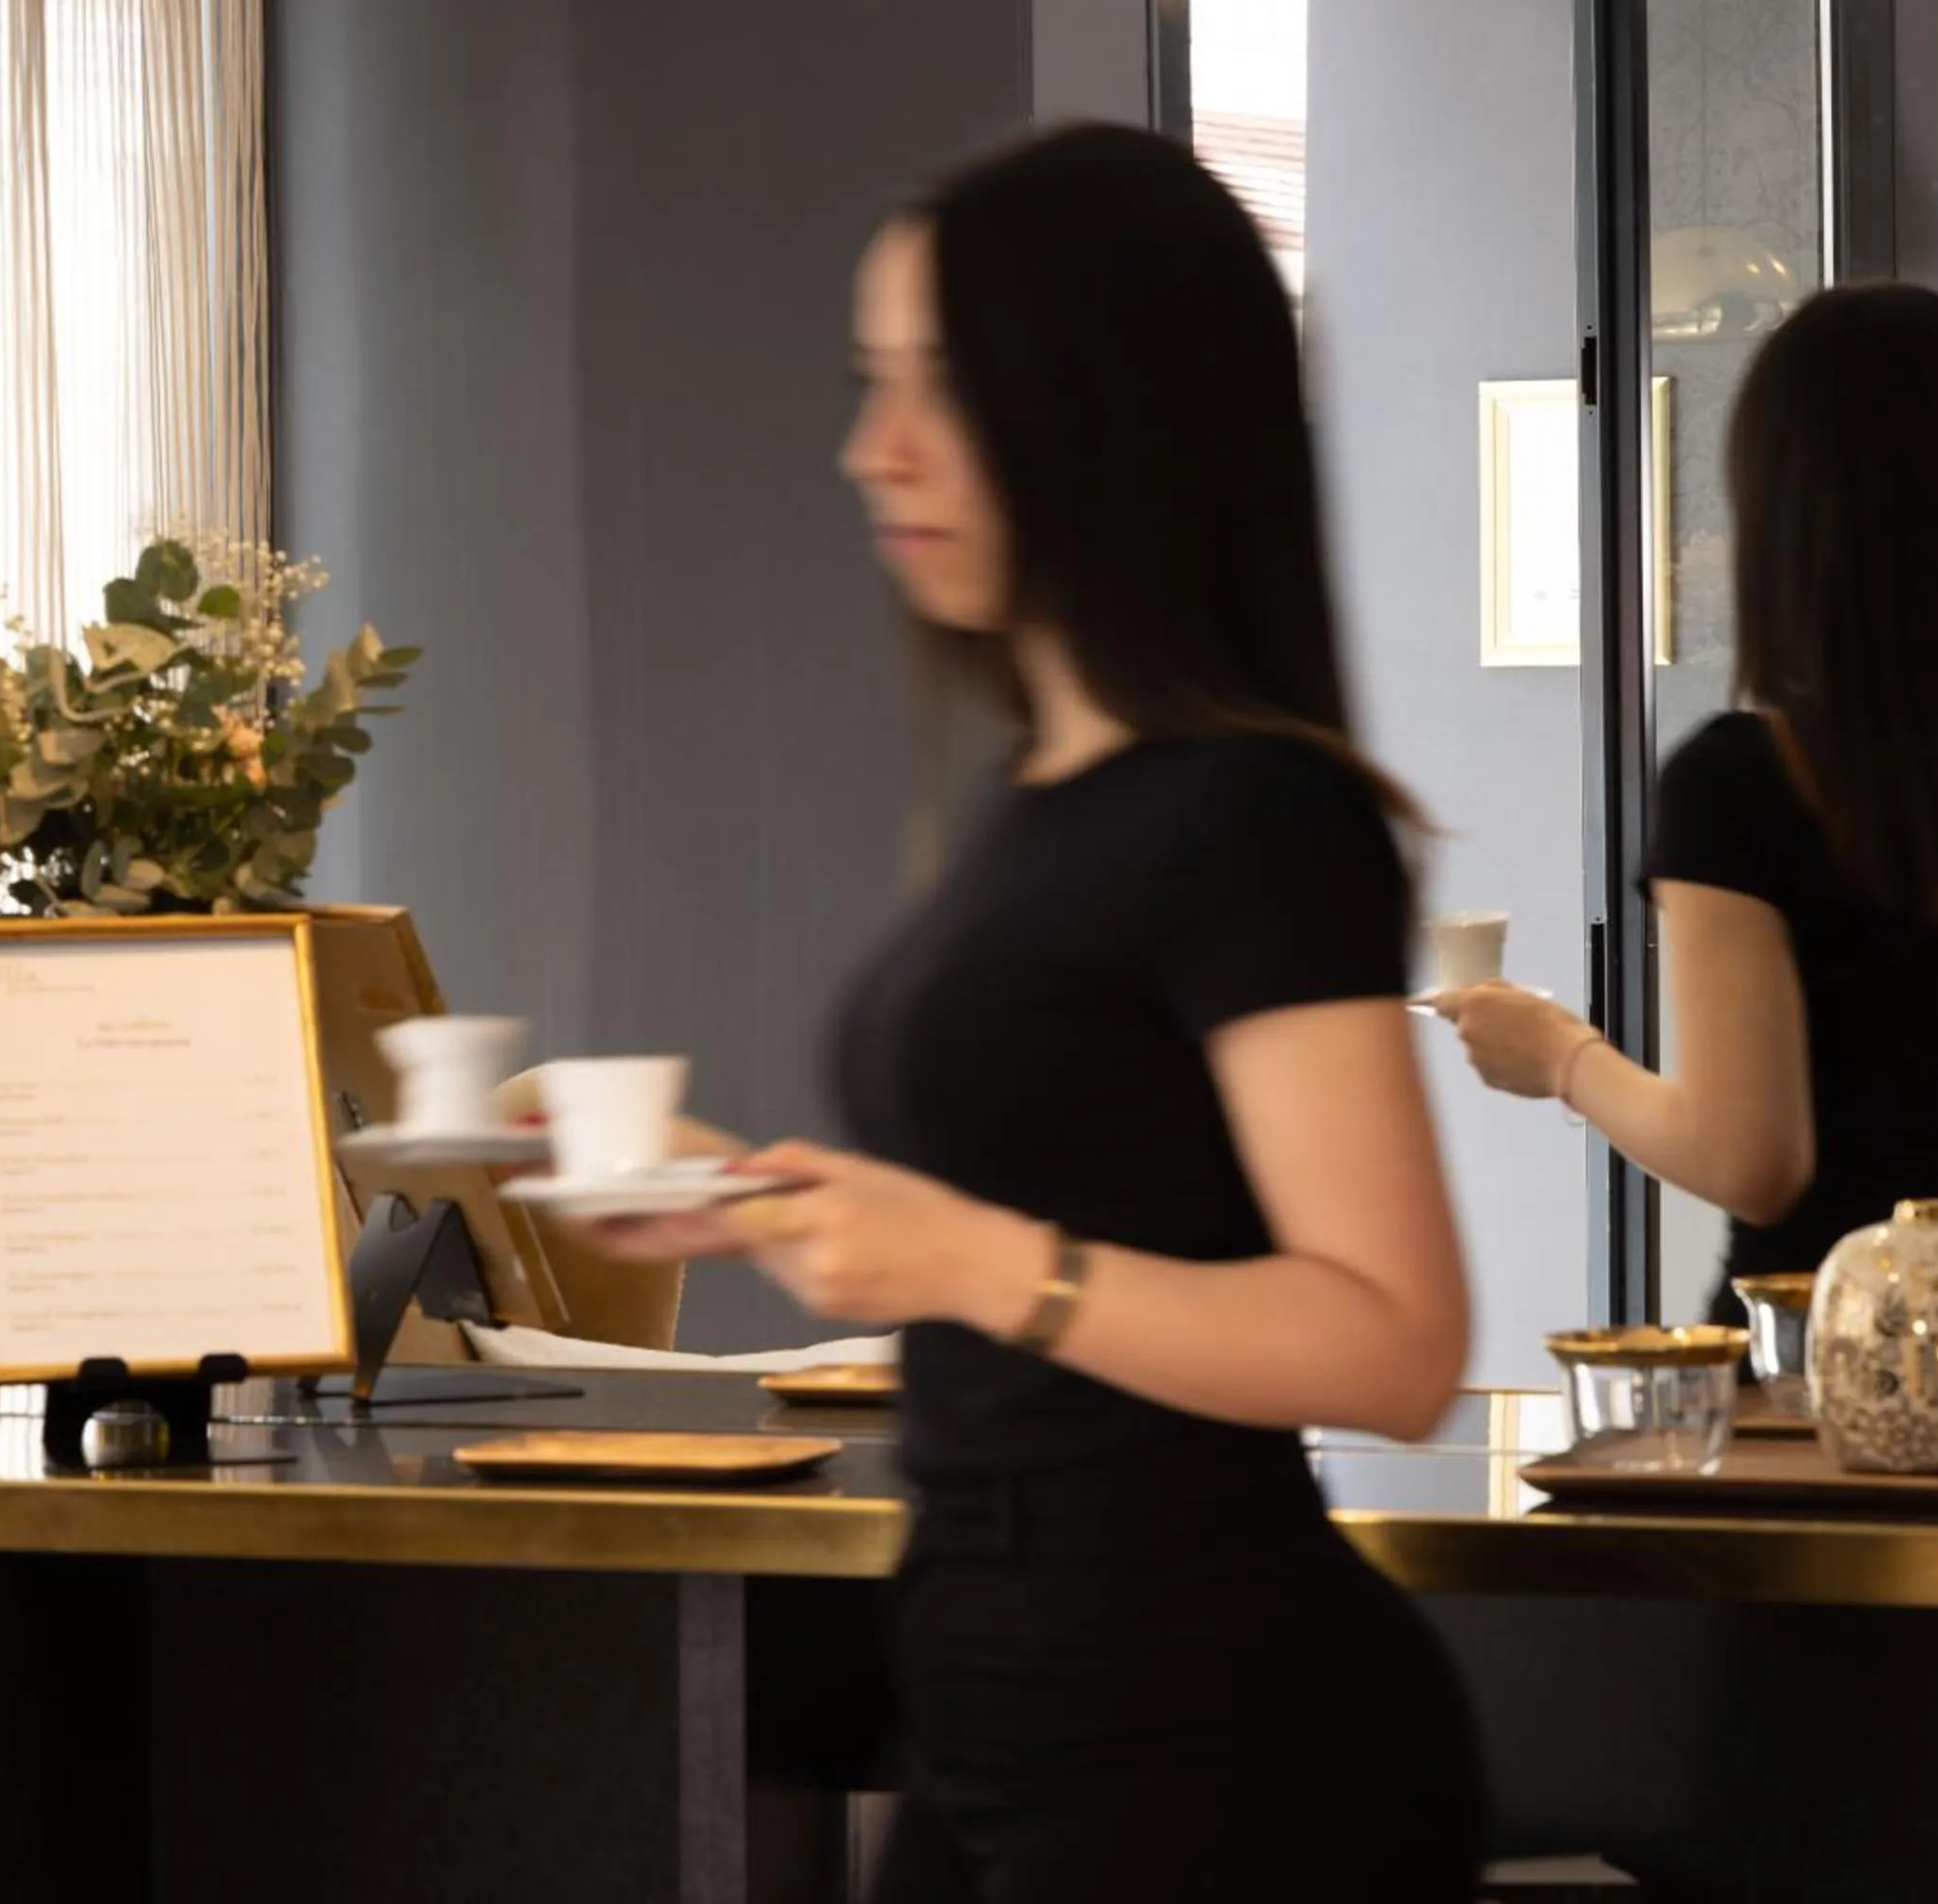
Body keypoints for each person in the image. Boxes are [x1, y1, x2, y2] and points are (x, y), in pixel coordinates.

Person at [590, 125, 1483, 1901]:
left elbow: (1391, 1345)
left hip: (1219, 1752)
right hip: (1009, 1721)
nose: (874, 451)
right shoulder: (1047, 798)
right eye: (872, 384)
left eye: (942, 390)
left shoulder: (1256, 814)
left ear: (1107, 414)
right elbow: (1067, 1198)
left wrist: (968, 1261)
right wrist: (766, 1200)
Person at [1441, 284, 1938, 1322]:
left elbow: (1752, 1159)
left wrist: (1560, 1056)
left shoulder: (1738, 785)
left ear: (1782, 516)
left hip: (1812, 1374)